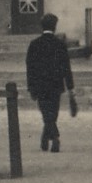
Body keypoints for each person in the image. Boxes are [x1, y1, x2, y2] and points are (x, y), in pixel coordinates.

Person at [23, 12, 75, 152]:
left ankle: (47, 137)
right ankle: (54, 137)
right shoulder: (60, 45)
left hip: (40, 85)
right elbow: (66, 68)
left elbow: (30, 68)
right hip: (56, 85)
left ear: (42, 26)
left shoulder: (34, 44)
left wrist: (31, 86)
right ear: (55, 27)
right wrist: (70, 87)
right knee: (53, 113)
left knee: (46, 112)